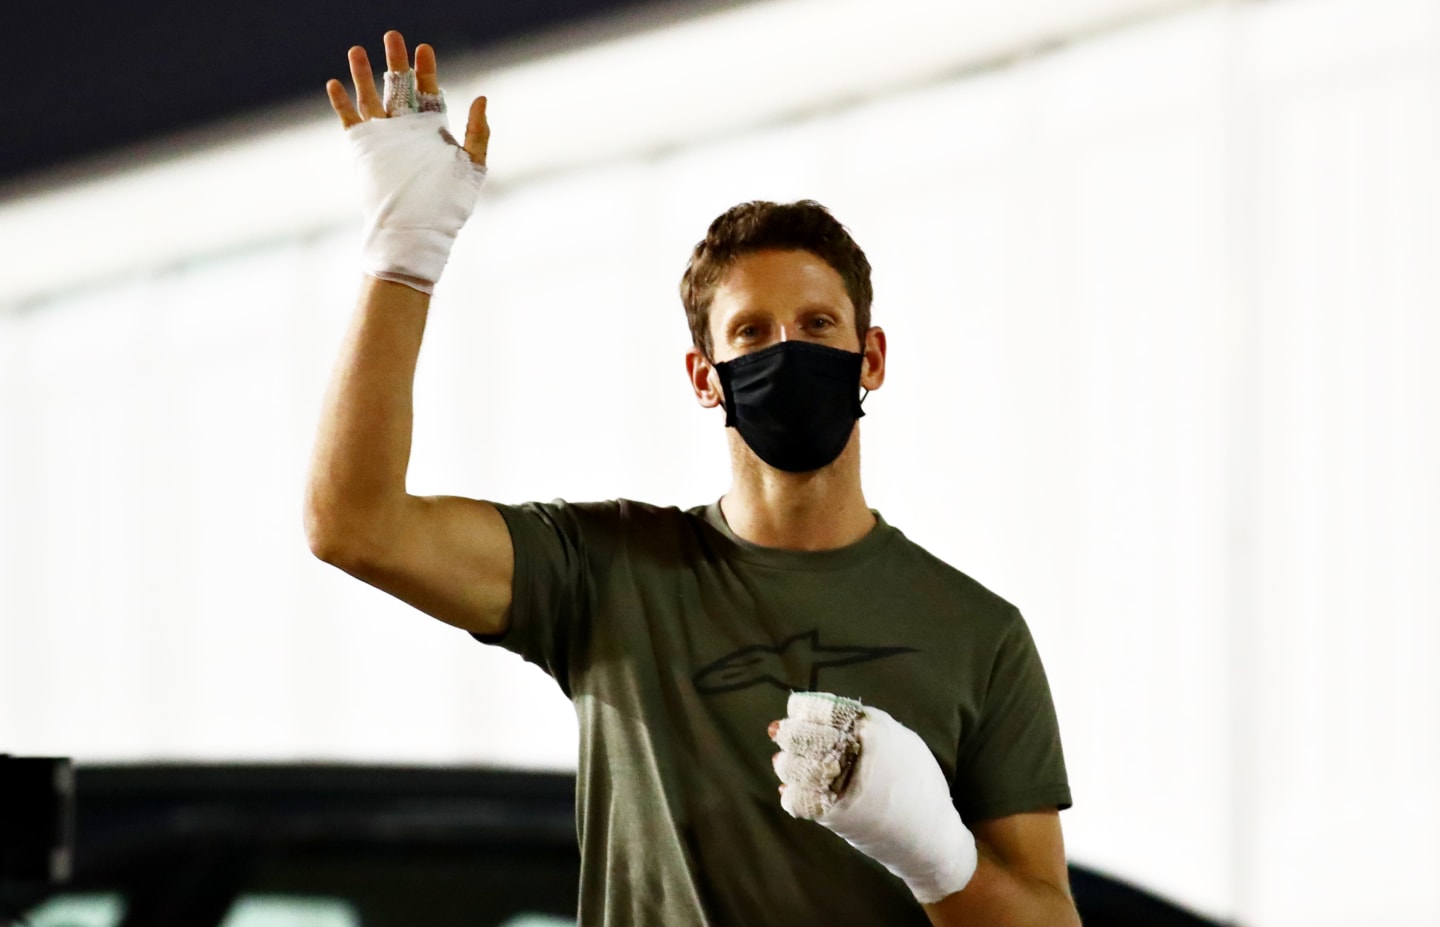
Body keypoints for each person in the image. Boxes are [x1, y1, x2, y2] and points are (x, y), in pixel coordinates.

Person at [307, 30, 1079, 927]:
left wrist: (934, 853)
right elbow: (351, 523)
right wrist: (404, 254)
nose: (788, 348)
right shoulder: (607, 572)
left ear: (869, 356)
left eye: (818, 324)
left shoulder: (978, 635)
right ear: (703, 374)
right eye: (751, 332)